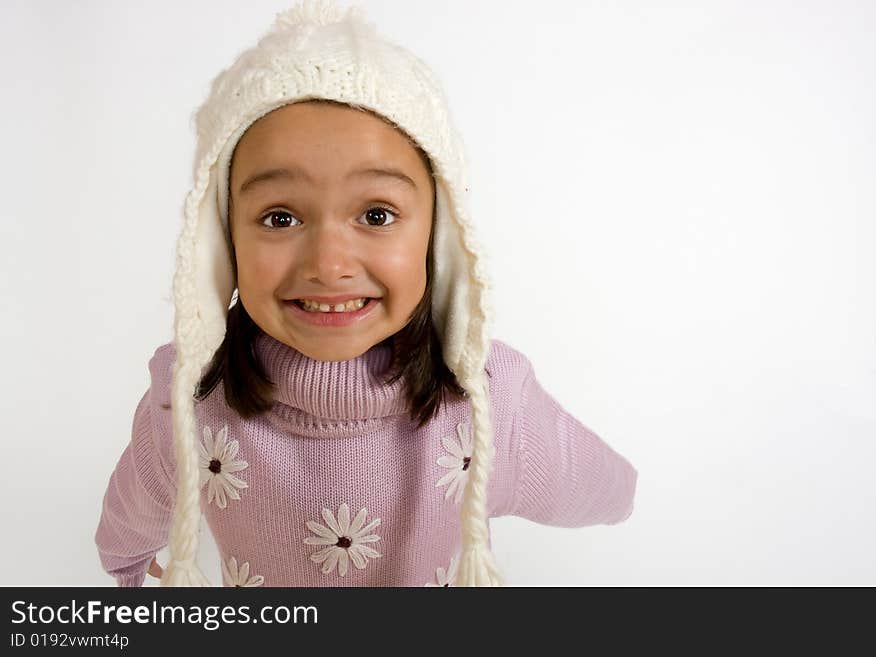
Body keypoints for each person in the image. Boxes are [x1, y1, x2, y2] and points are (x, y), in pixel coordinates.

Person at [94, 0, 638, 587]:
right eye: (279, 218)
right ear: (221, 242)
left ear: (437, 235)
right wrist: (127, 564)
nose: (329, 266)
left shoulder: (486, 399)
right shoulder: (193, 398)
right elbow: (136, 505)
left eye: (377, 214)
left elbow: (602, 486)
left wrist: (625, 497)